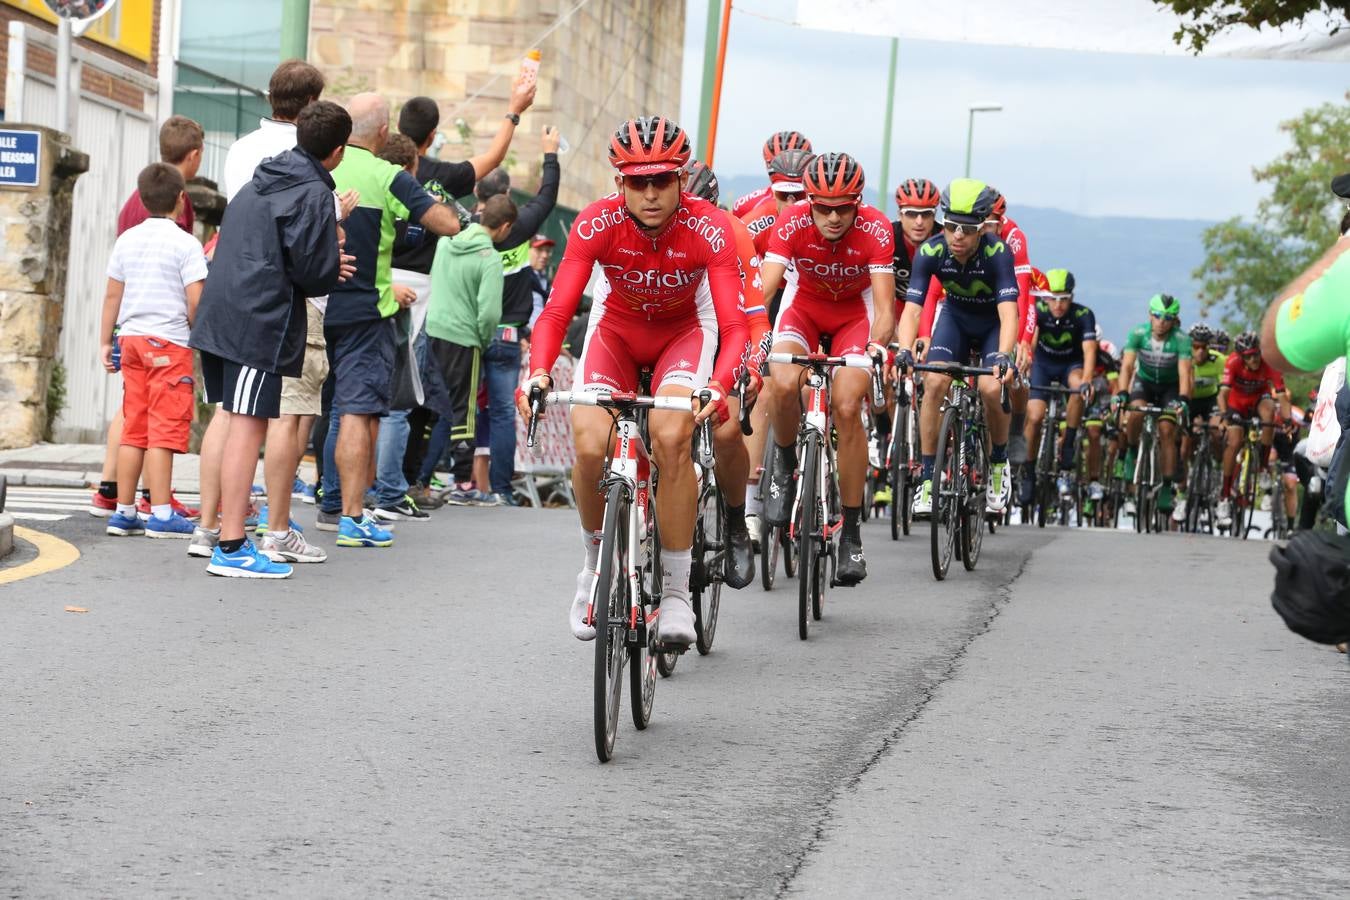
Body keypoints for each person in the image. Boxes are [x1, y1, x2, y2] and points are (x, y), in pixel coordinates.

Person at [518, 115, 748, 646]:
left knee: (671, 436)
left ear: (681, 181)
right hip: (617, 333)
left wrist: (717, 382)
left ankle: (672, 592)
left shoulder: (708, 226)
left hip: (684, 334)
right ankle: (593, 564)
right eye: (637, 182)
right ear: (618, 182)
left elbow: (734, 324)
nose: (650, 194)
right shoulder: (597, 223)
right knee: (589, 439)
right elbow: (555, 312)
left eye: (661, 181)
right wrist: (538, 372)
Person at [189, 100, 353, 577]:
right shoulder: (312, 192)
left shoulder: (267, 175)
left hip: (224, 310)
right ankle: (233, 545)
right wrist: (332, 260)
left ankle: (218, 532)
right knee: (247, 426)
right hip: (255, 319)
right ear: (338, 151)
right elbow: (313, 272)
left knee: (238, 420)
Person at [317, 93, 463, 548]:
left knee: (316, 411)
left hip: (314, 306)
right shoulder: (388, 175)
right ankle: (353, 516)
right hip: (366, 311)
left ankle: (326, 503)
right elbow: (446, 224)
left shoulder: (320, 168)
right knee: (357, 412)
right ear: (383, 133)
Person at [759, 152, 895, 585]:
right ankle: (783, 462)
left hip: (855, 317)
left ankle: (852, 532)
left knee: (848, 405)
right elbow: (765, 289)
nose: (834, 217)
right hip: (805, 310)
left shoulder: (876, 228)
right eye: (823, 207)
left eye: (844, 208)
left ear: (858, 202)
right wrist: (748, 334)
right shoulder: (792, 222)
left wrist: (876, 346)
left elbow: (886, 308)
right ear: (809, 201)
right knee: (781, 383)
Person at [92, 115, 205, 520]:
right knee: (164, 430)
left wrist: (107, 341)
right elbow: (195, 300)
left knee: (134, 428)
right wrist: (198, 331)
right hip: (169, 343)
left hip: (133, 341)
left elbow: (111, 295)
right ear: (180, 199)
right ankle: (160, 512)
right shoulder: (186, 243)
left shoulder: (126, 239)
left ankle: (124, 510)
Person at [897, 179, 1019, 518]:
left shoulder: (997, 254)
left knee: (991, 388)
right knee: (934, 382)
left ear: (982, 229)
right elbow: (913, 310)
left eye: (966, 229)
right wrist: (905, 349)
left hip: (992, 323)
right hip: (957, 320)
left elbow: (1009, 314)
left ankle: (997, 462)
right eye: (950, 226)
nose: (957, 236)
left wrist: (1004, 356)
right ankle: (927, 477)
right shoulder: (931, 251)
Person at [466, 128, 562, 506]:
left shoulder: (466, 232)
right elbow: (547, 197)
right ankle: (502, 488)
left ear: (477, 195)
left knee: (466, 408)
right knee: (504, 410)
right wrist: (550, 155)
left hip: (472, 331)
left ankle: (462, 482)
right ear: (505, 198)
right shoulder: (519, 228)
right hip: (507, 335)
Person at [683, 159, 767, 587]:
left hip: (722, 338)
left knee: (727, 430)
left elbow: (756, 318)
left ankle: (735, 518)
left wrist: (752, 366)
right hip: (671, 337)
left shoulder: (733, 231)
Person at [420, 194, 519, 511]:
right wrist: (483, 337)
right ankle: (463, 483)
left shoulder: (447, 241)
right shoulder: (488, 256)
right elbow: (489, 312)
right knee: (464, 411)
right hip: (464, 338)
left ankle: (419, 477)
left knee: (431, 408)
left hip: (433, 329)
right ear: (504, 227)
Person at [1020, 268, 1098, 502]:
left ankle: (1068, 446)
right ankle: (1028, 469)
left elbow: (1090, 350)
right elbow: (1030, 343)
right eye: (1053, 298)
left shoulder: (1083, 314)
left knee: (1078, 387)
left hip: (1070, 365)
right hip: (1043, 365)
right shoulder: (1039, 310)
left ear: (1072, 297)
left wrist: (1087, 381)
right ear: (1045, 297)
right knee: (1034, 417)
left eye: (1064, 298)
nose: (1058, 304)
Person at [1114, 293, 1193, 515]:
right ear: (1150, 315)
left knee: (1167, 431)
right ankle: (1131, 451)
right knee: (1136, 413)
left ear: (1174, 319)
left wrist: (1184, 399)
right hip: (1145, 382)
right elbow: (1127, 366)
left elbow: (1185, 373)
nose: (1161, 321)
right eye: (1157, 316)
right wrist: (1121, 393)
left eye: (1168, 317)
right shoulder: (1138, 333)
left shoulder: (1181, 339)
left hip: (1170, 387)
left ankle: (1167, 488)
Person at [1215, 331, 1291, 527]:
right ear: (1241, 356)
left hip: (1259, 399)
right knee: (1235, 442)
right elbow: (1222, 394)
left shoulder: (1269, 362)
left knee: (1269, 416)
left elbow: (1281, 395)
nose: (1254, 359)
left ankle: (1264, 467)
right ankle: (1224, 496)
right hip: (1236, 403)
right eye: (1248, 356)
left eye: (1256, 354)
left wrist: (1288, 419)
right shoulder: (1232, 362)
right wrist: (1225, 415)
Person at [1175, 322, 1226, 522]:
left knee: (1215, 431)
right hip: (1191, 400)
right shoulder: (1185, 359)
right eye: (1196, 346)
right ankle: (1181, 495)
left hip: (1210, 401)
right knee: (1185, 446)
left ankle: (1216, 465)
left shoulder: (1219, 360)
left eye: (1204, 346)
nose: (1200, 351)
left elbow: (1224, 389)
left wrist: (1223, 416)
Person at [730, 130, 812, 218]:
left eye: (795, 164)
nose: (786, 172)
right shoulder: (745, 206)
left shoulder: (820, 205)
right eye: (777, 165)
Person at [527, 234, 554, 329]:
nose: (545, 255)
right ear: (527, 250)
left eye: (547, 251)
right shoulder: (518, 277)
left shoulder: (544, 279)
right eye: (539, 250)